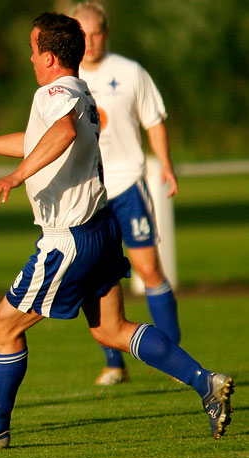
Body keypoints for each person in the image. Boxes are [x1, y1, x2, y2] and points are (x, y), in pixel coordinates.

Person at [0, 12, 233, 448]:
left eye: (33, 50)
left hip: (69, 238)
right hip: (102, 228)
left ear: (49, 57)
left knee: (3, 326)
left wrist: (14, 178)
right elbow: (43, 137)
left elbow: (62, 133)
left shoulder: (52, 92)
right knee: (111, 330)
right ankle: (207, 382)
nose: (30, 57)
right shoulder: (79, 90)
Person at [72, 1, 180, 386]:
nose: (90, 41)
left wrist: (165, 164)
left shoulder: (130, 72)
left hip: (128, 183)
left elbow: (154, 120)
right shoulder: (68, 79)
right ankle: (114, 363)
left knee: (148, 269)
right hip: (89, 192)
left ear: (107, 33)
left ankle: (173, 356)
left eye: (96, 33)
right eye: (81, 34)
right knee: (98, 277)